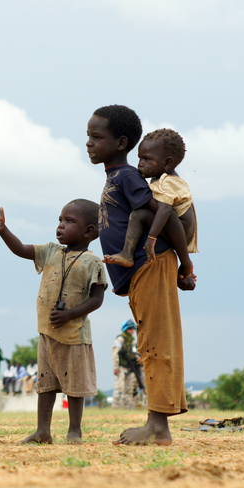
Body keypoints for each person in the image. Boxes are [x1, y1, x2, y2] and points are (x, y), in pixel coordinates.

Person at [86, 105, 195, 445]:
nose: (88, 143)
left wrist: (183, 263)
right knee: (150, 342)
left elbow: (168, 216)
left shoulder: (129, 178)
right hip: (141, 271)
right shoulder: (118, 177)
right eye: (88, 136)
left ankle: (158, 427)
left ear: (120, 143)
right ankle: (156, 422)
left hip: (152, 264)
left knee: (155, 344)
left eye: (96, 137)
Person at [0, 199, 107, 444]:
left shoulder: (92, 263)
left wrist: (69, 314)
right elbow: (21, 249)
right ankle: (43, 430)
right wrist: (3, 231)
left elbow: (97, 300)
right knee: (45, 385)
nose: (61, 226)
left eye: (69, 221)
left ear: (89, 231)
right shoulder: (51, 251)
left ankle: (75, 430)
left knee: (75, 387)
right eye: (60, 220)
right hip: (47, 333)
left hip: (74, 335)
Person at [102, 128, 198, 267]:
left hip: (180, 233)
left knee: (139, 214)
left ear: (167, 163)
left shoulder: (168, 181)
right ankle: (127, 254)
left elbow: (165, 211)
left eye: (147, 159)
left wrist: (151, 238)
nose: (140, 163)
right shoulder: (158, 179)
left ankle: (127, 254)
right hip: (174, 229)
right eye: (140, 158)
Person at [111, 320, 145, 409]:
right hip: (121, 367)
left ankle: (126, 408)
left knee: (129, 390)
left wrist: (138, 357)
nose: (132, 330)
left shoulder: (132, 342)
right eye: (130, 328)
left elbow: (135, 352)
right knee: (119, 388)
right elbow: (115, 353)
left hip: (130, 368)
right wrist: (116, 367)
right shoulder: (120, 339)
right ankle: (115, 407)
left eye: (133, 328)